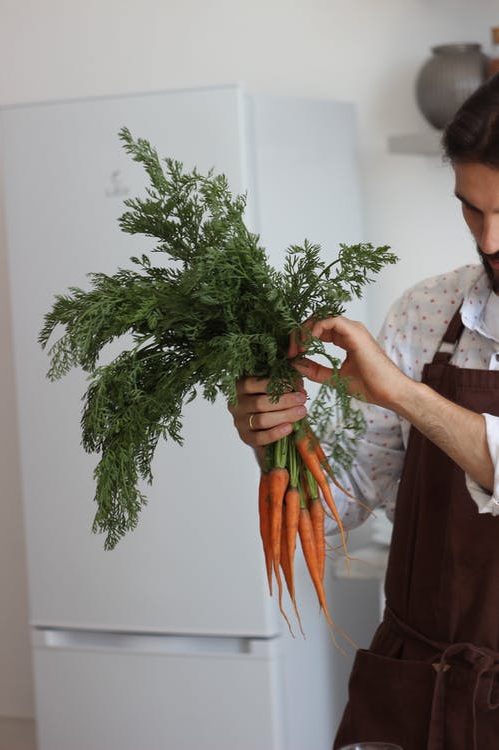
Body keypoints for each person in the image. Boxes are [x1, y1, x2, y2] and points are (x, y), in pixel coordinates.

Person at [228, 73, 499, 750]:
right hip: (416, 687)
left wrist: (404, 394)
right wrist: (278, 441)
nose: (490, 242)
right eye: (472, 210)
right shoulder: (426, 313)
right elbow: (337, 510)